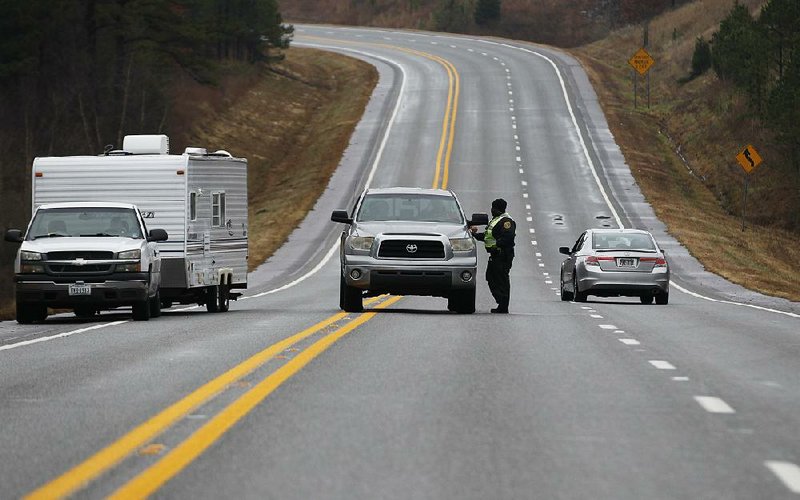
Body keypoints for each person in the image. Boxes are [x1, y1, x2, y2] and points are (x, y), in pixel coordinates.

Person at [471, 198, 516, 313]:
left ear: (497, 209)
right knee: (491, 277)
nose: (491, 210)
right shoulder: (496, 220)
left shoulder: (506, 221)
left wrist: (497, 245)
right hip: (495, 255)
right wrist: (475, 235)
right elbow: (488, 236)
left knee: (502, 279)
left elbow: (509, 237)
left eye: (493, 208)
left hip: (502, 255)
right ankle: (500, 301)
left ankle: (503, 304)